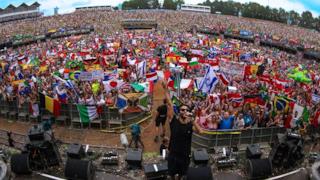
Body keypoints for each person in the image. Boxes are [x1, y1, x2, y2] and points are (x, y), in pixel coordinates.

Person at [167, 94, 203, 180]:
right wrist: (165, 90)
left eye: (187, 110)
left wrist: (193, 120)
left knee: (182, 175)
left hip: (185, 155)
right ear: (179, 111)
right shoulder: (174, 121)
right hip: (173, 153)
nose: (185, 111)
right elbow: (170, 104)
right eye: (183, 109)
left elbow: (201, 132)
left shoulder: (190, 124)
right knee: (171, 175)